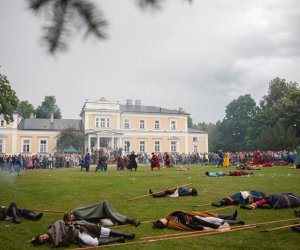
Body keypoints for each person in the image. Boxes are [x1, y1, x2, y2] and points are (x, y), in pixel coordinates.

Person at [31, 219, 135, 247]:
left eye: (42, 237)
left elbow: (60, 222)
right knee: (91, 242)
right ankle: (118, 239)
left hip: (79, 225)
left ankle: (126, 235)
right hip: (76, 234)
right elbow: (66, 242)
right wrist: (70, 230)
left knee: (101, 230)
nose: (44, 238)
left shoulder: (52, 227)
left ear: (42, 234)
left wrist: (69, 225)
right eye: (43, 240)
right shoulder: (55, 242)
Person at [65, 200, 140, 227]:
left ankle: (131, 220)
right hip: (101, 214)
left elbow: (90, 209)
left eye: (70, 216)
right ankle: (130, 220)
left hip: (103, 208)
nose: (71, 218)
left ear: (70, 213)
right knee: (114, 217)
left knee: (114, 216)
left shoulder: (77, 212)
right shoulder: (77, 214)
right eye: (70, 219)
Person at [152, 210, 244, 231]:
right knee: (215, 220)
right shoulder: (171, 224)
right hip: (195, 220)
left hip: (194, 216)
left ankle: (232, 218)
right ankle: (235, 221)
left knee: (212, 216)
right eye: (160, 220)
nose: (161, 218)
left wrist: (185, 219)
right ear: (163, 223)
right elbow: (185, 225)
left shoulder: (169, 217)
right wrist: (185, 221)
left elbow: (179, 213)